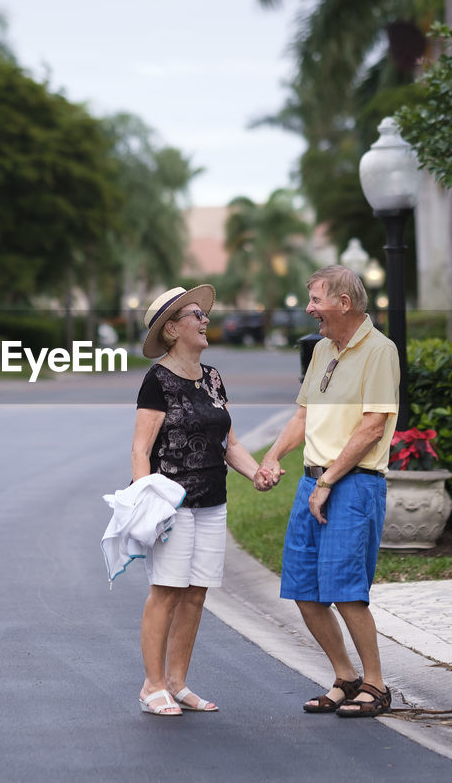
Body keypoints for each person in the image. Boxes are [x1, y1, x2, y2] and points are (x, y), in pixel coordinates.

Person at [255, 265, 398, 718]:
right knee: (303, 587)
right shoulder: (321, 351)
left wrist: (328, 482)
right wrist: (273, 456)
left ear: (344, 302)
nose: (309, 308)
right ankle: (344, 677)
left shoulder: (380, 351)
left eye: (316, 299)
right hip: (313, 480)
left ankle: (376, 685)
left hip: (352, 484)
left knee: (345, 589)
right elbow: (301, 417)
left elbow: (373, 426)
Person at [131, 284, 261, 716]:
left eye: (204, 314)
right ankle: (152, 686)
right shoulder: (158, 380)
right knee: (167, 592)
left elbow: (229, 441)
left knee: (196, 594)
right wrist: (148, 502)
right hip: (173, 503)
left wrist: (257, 471)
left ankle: (177, 682)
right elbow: (139, 448)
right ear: (172, 329)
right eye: (195, 315)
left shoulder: (213, 378)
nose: (205, 319)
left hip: (213, 501)